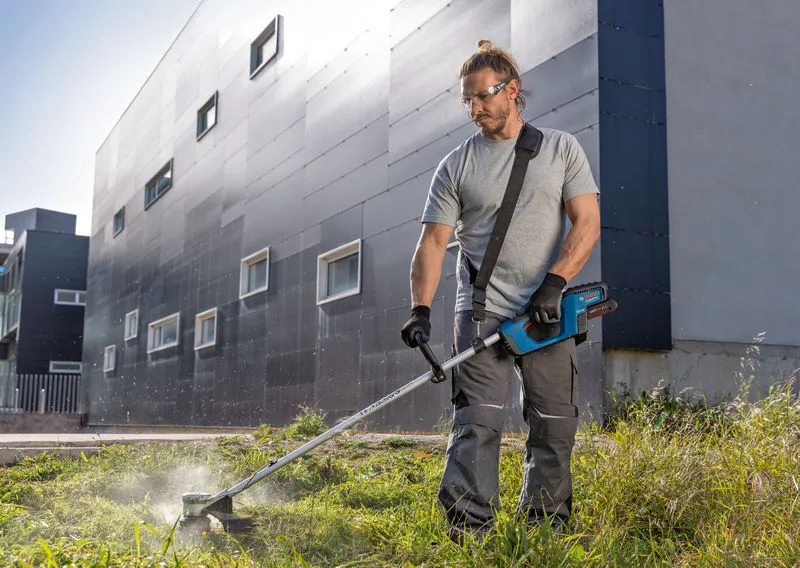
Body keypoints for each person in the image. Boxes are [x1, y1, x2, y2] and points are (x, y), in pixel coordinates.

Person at [400, 39, 601, 542]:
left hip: (546, 314)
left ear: (511, 90)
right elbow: (432, 243)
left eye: (483, 97)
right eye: (466, 100)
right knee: (477, 425)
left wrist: (555, 284)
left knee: (554, 424)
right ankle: (469, 532)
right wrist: (419, 309)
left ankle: (546, 530)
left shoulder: (560, 148)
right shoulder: (457, 165)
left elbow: (587, 223)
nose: (474, 110)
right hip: (481, 310)